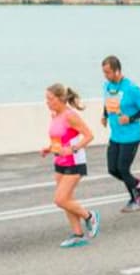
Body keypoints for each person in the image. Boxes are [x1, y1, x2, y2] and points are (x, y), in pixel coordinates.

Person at [41, 83, 99, 249]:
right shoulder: (55, 115)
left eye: (50, 99)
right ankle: (78, 235)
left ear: (60, 99)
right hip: (59, 162)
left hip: (75, 162)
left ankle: (90, 216)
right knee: (67, 200)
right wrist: (49, 148)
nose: (47, 102)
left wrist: (72, 149)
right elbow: (59, 139)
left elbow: (89, 136)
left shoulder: (70, 115)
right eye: (46, 99)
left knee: (60, 199)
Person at [100, 55, 140, 213]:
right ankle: (138, 184)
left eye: (108, 72)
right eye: (104, 72)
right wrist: (105, 115)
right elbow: (108, 102)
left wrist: (130, 118)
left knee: (123, 168)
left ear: (117, 70)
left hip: (131, 135)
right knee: (112, 169)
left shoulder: (132, 88)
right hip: (115, 135)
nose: (106, 76)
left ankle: (136, 199)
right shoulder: (107, 86)